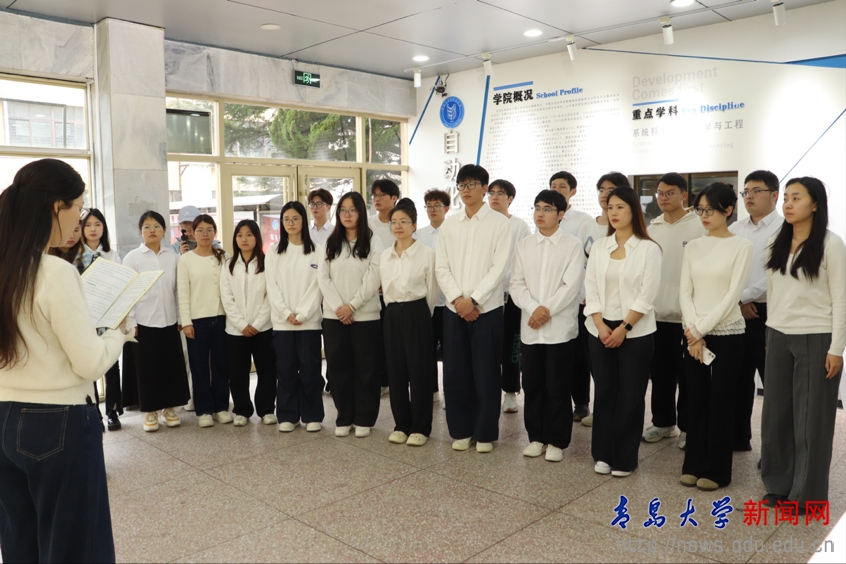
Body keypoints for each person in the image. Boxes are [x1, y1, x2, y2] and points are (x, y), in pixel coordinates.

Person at [0, 159, 133, 562]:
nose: (80, 217)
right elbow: (89, 364)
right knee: (74, 547)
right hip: (58, 421)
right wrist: (118, 333)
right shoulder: (55, 272)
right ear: (57, 206)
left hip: (4, 416)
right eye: (79, 207)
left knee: (21, 543)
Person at [761, 177, 844, 508]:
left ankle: (807, 496)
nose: (788, 204)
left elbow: (841, 299)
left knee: (811, 420)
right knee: (776, 416)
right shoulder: (776, 241)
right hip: (778, 334)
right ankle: (778, 485)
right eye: (786, 198)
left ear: (815, 204)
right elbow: (773, 292)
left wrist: (836, 349)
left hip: (816, 336)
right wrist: (771, 333)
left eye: (796, 198)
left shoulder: (831, 244)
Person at [679, 183, 753, 491]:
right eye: (700, 210)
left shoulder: (741, 246)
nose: (704, 215)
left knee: (722, 401)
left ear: (728, 210)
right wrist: (693, 331)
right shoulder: (693, 246)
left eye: (710, 210)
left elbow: (732, 296)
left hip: (727, 332)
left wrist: (699, 330)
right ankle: (693, 465)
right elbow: (685, 292)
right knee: (695, 398)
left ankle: (717, 471)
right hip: (693, 332)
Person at [584, 186, 661, 477]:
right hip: (600, 329)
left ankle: (625, 458)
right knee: (605, 392)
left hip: (635, 332)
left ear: (634, 211)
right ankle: (603, 453)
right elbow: (591, 287)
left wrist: (624, 328)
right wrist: (600, 324)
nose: (614, 213)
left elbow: (647, 294)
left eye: (620, 207)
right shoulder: (600, 247)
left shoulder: (648, 248)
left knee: (630, 394)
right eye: (610, 207)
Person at [436, 164, 511, 453]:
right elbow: (441, 267)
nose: (465, 190)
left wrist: (474, 300)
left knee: (486, 373)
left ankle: (484, 433)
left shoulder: (499, 224)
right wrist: (458, 299)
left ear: (484, 188)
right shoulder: (450, 225)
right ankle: (461, 430)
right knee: (455, 373)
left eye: (471, 185)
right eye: (462, 185)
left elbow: (499, 267)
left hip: (487, 311)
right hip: (454, 310)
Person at [511, 190, 585, 462]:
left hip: (559, 329)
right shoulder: (525, 245)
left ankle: (556, 440)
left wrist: (546, 310)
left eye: (547, 209)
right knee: (532, 385)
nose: (540, 214)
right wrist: (534, 309)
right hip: (531, 328)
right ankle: (536, 437)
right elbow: (516, 283)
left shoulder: (572, 245)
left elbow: (571, 286)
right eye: (537, 208)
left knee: (557, 386)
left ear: (561, 214)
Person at [644, 173, 706, 449]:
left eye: (669, 193)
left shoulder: (698, 226)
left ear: (684, 195)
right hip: (656, 315)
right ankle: (663, 423)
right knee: (660, 374)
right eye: (659, 193)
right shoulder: (652, 228)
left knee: (688, 376)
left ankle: (687, 429)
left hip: (687, 317)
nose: (663, 198)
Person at [318, 192, 384, 438]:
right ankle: (344, 416)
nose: (347, 215)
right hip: (334, 317)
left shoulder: (373, 240)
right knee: (338, 368)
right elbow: (322, 277)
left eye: (352, 210)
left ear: (361, 213)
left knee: (366, 369)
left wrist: (352, 306)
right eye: (343, 210)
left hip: (365, 316)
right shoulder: (330, 242)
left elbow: (374, 277)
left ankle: (364, 417)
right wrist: (339, 307)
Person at [729, 170, 783, 452]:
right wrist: (739, 301)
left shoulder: (785, 229)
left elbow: (775, 274)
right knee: (738, 380)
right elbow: (727, 269)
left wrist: (745, 296)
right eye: (746, 191)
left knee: (773, 385)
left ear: (774, 195)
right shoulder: (736, 229)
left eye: (756, 191)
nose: (748, 196)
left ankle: (773, 451)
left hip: (769, 314)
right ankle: (738, 439)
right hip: (737, 312)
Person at [123, 211, 191, 432]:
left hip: (169, 319)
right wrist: (132, 321)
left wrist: (181, 316)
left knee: (170, 366)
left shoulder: (173, 256)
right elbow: (127, 292)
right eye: (147, 227)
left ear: (164, 230)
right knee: (147, 369)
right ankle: (150, 411)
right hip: (143, 322)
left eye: (156, 226)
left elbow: (179, 289)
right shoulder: (133, 257)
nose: (152, 230)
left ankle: (169, 409)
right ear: (140, 231)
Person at [380, 198, 438, 446]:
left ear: (414, 225)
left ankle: (421, 428)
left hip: (417, 312)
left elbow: (432, 291)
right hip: (392, 314)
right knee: (396, 372)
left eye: (404, 221)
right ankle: (401, 425)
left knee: (420, 372)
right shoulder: (385, 255)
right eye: (394, 222)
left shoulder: (426, 254)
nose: (398, 226)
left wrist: (421, 315)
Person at [265, 201, 325, 433]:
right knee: (286, 371)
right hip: (282, 323)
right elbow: (272, 286)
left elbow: (318, 286)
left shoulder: (317, 251)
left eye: (295, 219)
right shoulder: (274, 252)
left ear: (303, 221)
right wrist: (286, 313)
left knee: (310, 371)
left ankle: (312, 415)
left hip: (309, 322)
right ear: (281, 222)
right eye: (286, 219)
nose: (291, 223)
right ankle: (288, 415)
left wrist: (303, 313)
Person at [574, 171, 627, 426]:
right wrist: (587, 298)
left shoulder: (628, 229)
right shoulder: (587, 226)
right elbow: (581, 266)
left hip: (621, 309)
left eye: (611, 190)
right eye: (602, 190)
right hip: (590, 306)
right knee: (596, 364)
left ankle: (619, 411)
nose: (605, 195)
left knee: (620, 368)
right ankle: (601, 409)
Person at [178, 214, 232, 428]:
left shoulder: (224, 256)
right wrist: (186, 322)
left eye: (209, 230)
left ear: (214, 232)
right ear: (193, 233)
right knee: (199, 366)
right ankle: (204, 410)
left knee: (221, 364)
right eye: (200, 230)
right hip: (196, 320)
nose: (205, 234)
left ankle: (221, 407)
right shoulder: (186, 260)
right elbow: (183, 292)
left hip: (222, 318)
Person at [220, 219, 275, 427]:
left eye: (249, 234)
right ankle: (242, 410)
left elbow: (271, 296)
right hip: (236, 330)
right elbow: (226, 298)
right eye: (240, 235)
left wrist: (257, 324)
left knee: (267, 371)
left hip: (264, 328)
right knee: (237, 373)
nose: (244, 239)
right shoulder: (228, 265)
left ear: (257, 237)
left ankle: (266, 409)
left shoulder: (267, 263)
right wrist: (242, 324)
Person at [487, 179, 532, 414]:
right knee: (488, 345)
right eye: (491, 193)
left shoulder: (520, 226)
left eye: (500, 193)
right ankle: (487, 391)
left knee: (512, 344)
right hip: (486, 294)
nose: (494, 197)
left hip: (512, 293)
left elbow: (523, 261)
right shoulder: (483, 223)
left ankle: (510, 392)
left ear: (510, 198)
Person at [81, 208, 126, 431]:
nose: (93, 229)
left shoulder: (111, 254)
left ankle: (112, 412)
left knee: (111, 364)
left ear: (104, 228)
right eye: (88, 225)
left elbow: (120, 284)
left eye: (97, 224)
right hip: (84, 316)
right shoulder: (75, 255)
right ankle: (94, 413)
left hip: (108, 315)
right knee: (89, 364)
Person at [415, 188, 450, 405]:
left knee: (450, 351)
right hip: (426, 301)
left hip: (448, 302)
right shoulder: (418, 235)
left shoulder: (453, 232)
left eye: (437, 205)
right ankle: (430, 390)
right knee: (425, 349)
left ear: (447, 208)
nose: (432, 210)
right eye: (429, 206)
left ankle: (449, 393)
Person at [550, 171, 592, 238]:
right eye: (554, 187)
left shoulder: (584, 219)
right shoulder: (543, 217)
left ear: (573, 192)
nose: (557, 190)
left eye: (562, 186)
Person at [369, 179, 400, 248]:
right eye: (374, 195)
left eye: (381, 195)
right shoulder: (367, 223)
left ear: (394, 198)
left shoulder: (401, 225)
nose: (377, 199)